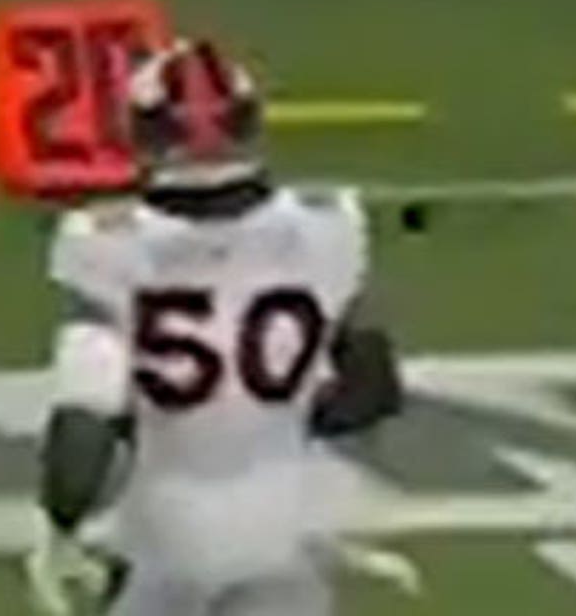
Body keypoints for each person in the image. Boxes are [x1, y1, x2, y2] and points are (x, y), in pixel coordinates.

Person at [29, 39, 402, 616]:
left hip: (163, 534)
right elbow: (373, 389)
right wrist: (270, 423)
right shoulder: (326, 224)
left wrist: (61, 527)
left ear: (145, 132)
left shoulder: (106, 244)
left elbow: (86, 424)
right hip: (285, 529)